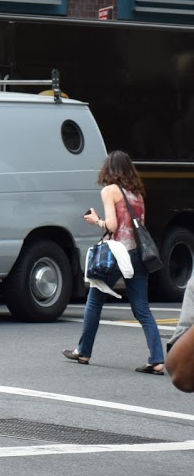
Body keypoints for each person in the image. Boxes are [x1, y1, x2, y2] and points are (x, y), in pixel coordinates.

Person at [64, 150, 166, 375]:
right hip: (140, 254)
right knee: (142, 309)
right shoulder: (137, 193)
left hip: (119, 253)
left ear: (109, 169)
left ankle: (84, 351)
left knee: (94, 301)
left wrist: (95, 220)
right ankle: (157, 359)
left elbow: (111, 226)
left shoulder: (110, 190)